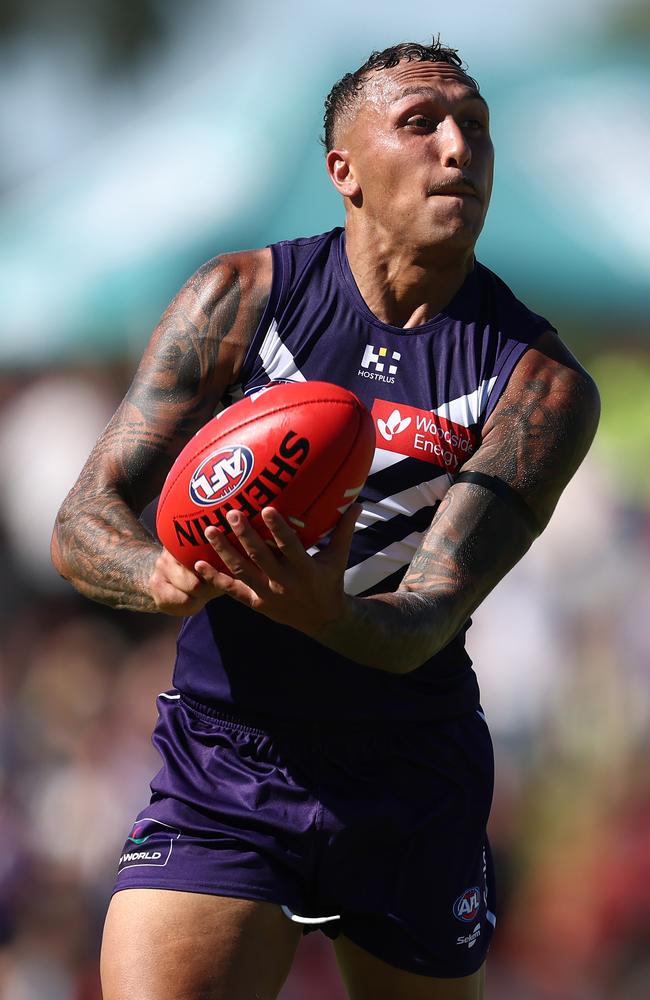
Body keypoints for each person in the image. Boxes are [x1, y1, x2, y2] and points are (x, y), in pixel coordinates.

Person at [51, 38, 600, 1000]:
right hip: (226, 756)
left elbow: (425, 617)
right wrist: (162, 576)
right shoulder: (242, 299)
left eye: (474, 126)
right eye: (421, 124)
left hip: (409, 775)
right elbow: (83, 523)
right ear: (343, 169)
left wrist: (329, 613)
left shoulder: (539, 386)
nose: (459, 149)